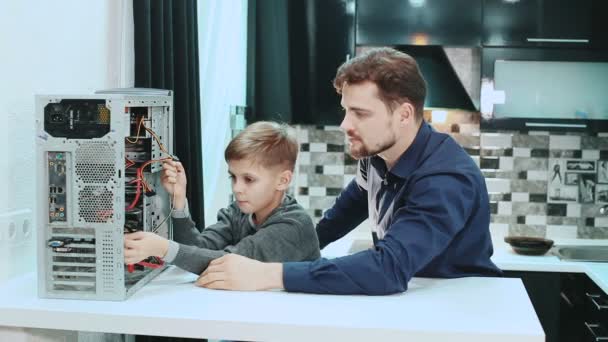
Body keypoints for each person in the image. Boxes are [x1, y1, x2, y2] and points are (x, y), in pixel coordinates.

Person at [196, 47, 502, 295]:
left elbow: (388, 270)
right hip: (414, 297)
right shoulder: (377, 154)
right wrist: (298, 245)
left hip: (459, 308)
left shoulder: (444, 179)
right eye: (346, 110)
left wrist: (269, 273)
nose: (345, 125)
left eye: (360, 113)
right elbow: (350, 206)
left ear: (404, 114)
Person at [124, 121, 321, 274]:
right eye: (233, 177)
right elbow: (198, 249)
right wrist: (179, 200)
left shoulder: (293, 226)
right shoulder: (238, 211)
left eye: (249, 179)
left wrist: (163, 248)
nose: (237, 188)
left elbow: (227, 263)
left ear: (283, 181)